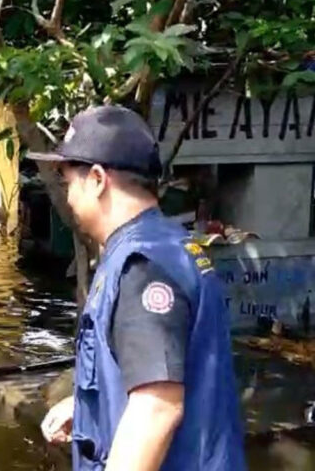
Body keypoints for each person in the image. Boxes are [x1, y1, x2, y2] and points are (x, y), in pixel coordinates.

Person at [30, 106, 246, 470]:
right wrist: (89, 410)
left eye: (70, 184)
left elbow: (155, 409)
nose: (68, 198)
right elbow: (162, 372)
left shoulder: (142, 268)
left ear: (97, 180)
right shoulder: (168, 245)